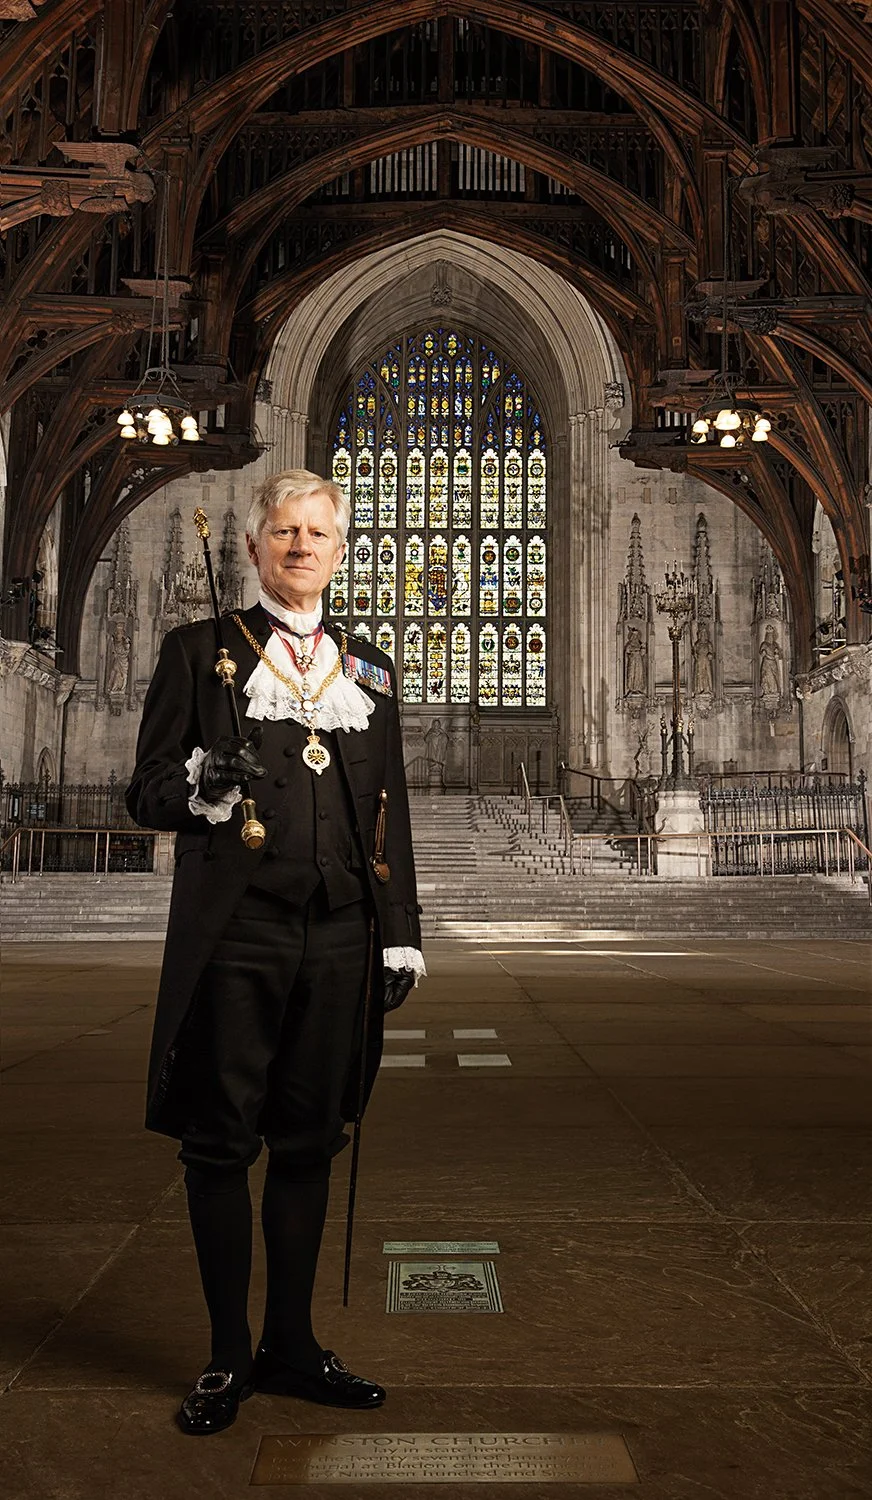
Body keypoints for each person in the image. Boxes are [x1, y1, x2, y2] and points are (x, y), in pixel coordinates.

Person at [126, 469, 424, 1436]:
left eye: (317, 534)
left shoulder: (370, 668)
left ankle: (291, 1345)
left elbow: (390, 813)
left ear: (341, 552)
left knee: (309, 1141)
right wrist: (203, 780)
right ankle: (225, 1357)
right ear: (254, 547)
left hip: (340, 933)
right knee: (221, 1142)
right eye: (283, 532)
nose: (300, 548)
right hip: (239, 933)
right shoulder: (199, 651)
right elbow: (147, 794)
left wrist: (402, 934)